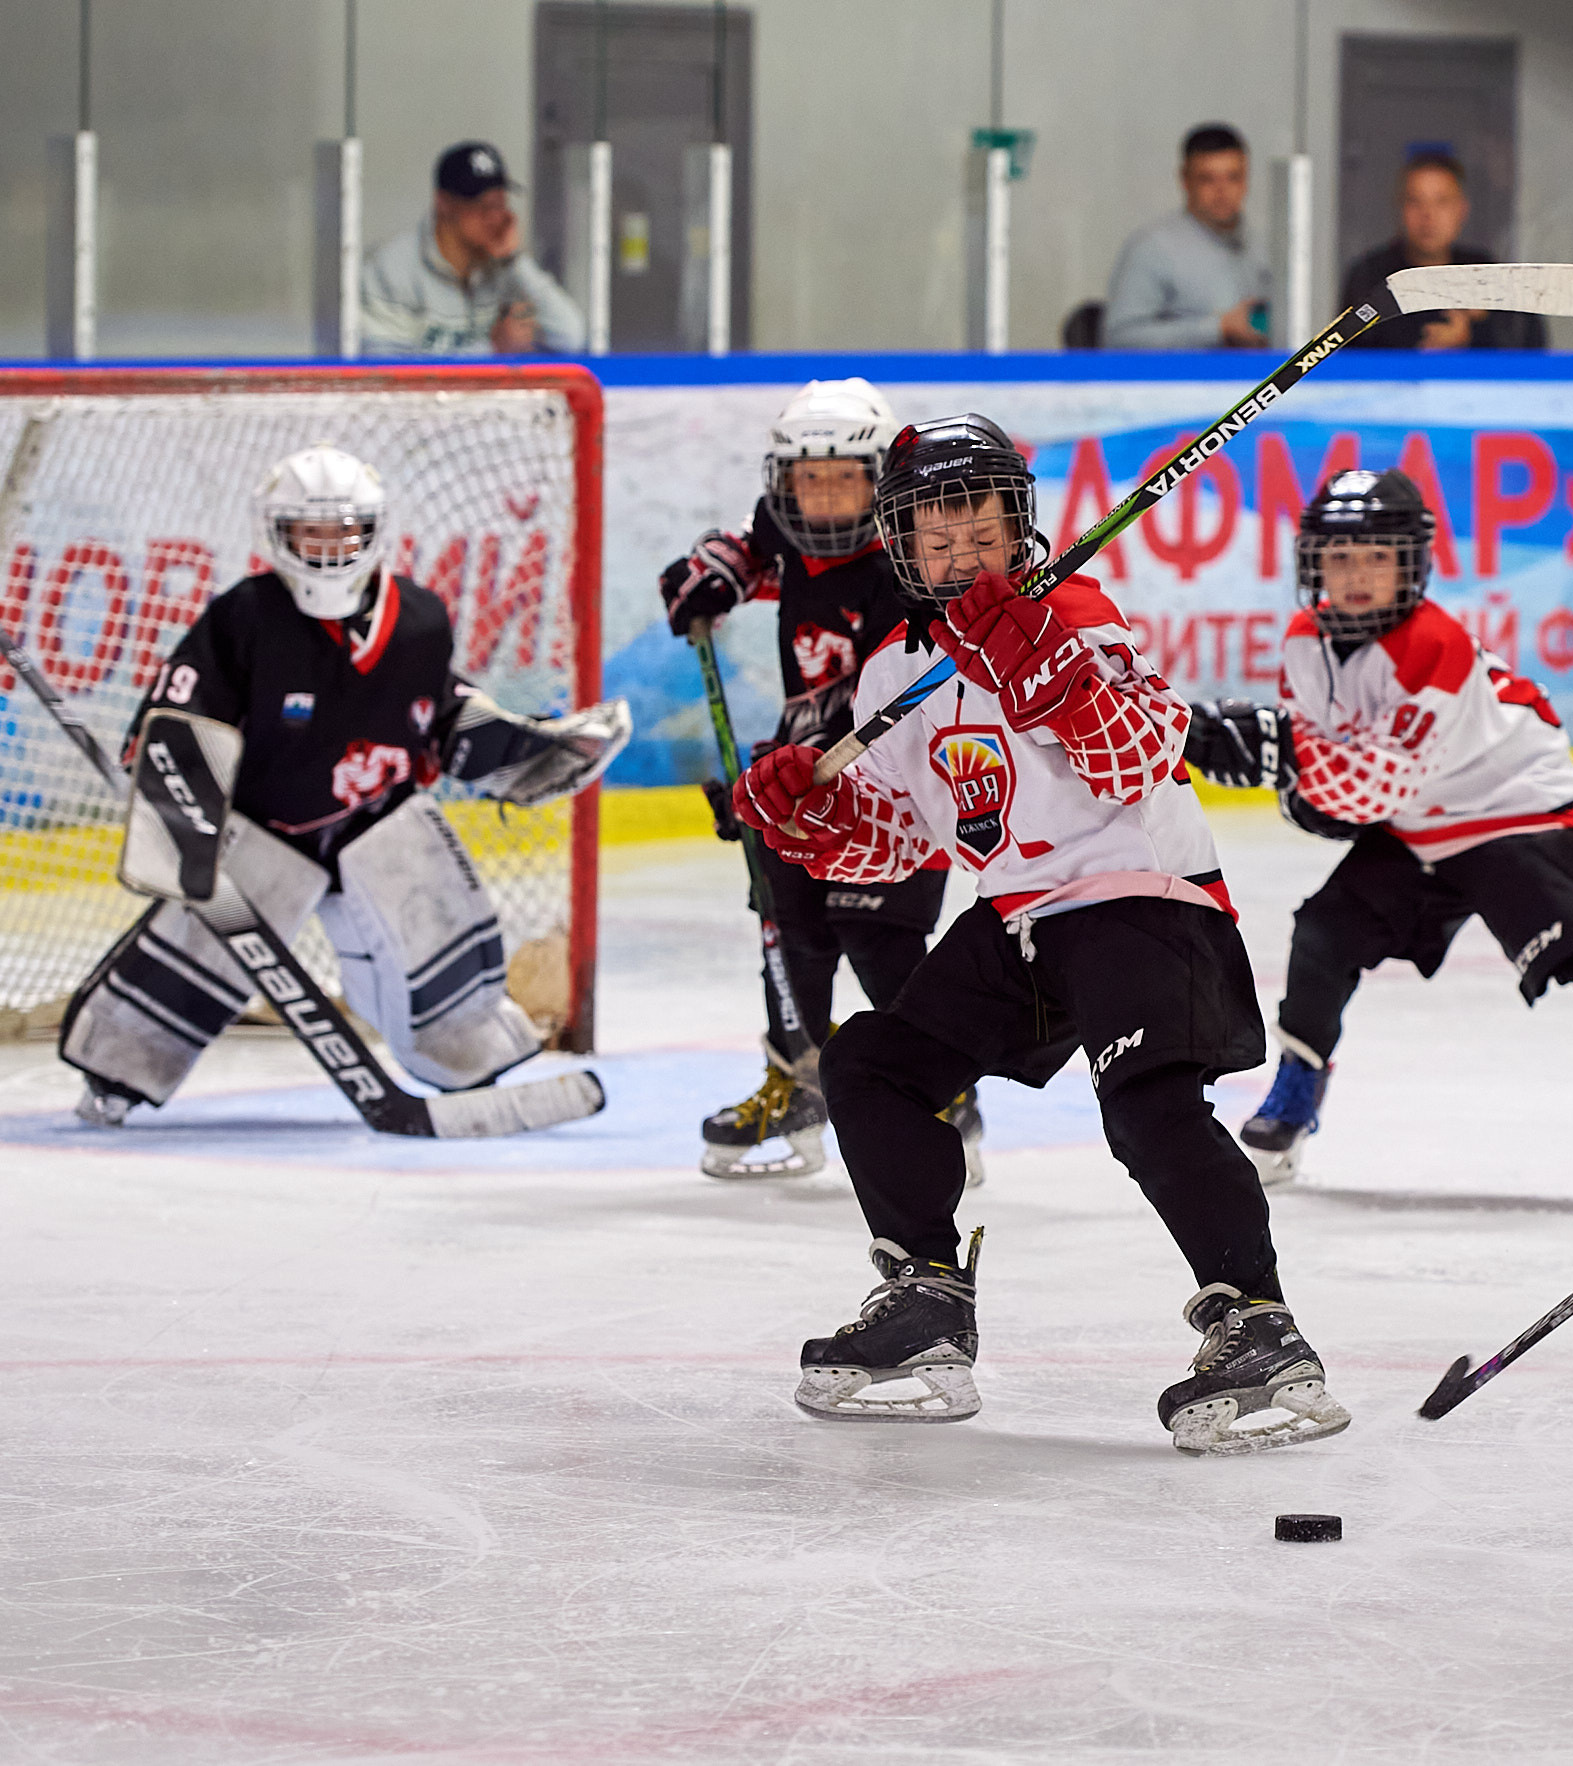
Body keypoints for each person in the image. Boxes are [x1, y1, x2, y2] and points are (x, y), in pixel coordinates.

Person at [729, 415, 1349, 1456]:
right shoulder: (891, 674)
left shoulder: (1072, 610)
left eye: (977, 510)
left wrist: (1049, 669)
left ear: (1015, 518)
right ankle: (926, 1295)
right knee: (871, 1063)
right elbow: (898, 842)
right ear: (902, 541)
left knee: (1148, 1105)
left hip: (1139, 892)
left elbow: (1137, 756)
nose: (958, 536)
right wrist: (814, 817)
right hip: (1018, 917)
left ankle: (1261, 1326)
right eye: (934, 521)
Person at [60, 446, 629, 1125]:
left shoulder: (420, 619)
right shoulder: (246, 617)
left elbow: (438, 712)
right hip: (268, 826)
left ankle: (468, 1054)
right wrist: (179, 806)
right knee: (194, 949)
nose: (328, 547)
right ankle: (117, 1070)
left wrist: (517, 749)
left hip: (376, 820)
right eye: (311, 532)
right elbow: (180, 714)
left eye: (344, 531)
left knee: (439, 920)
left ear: (372, 530)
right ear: (279, 534)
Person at [1180, 468, 1573, 1187]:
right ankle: (1295, 1096)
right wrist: (1293, 774)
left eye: (1377, 556)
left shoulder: (1433, 645)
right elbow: (1337, 782)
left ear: (1410, 564)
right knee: (1324, 934)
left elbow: (1369, 786)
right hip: (1420, 822)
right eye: (1340, 557)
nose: (1356, 575)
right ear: (1313, 564)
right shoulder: (1304, 641)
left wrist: (1284, 761)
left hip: (1511, 810)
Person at [657, 380, 979, 1183]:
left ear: (882, 482)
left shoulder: (913, 557)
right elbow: (746, 545)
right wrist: (717, 570)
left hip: (899, 785)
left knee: (879, 942)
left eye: (846, 479)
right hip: (806, 771)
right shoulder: (784, 528)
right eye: (809, 478)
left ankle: (945, 1094)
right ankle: (796, 1081)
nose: (825, 497)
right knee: (787, 928)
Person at [361, 143, 585, 356]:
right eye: (483, 205)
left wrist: (515, 260)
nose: (495, 217)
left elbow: (571, 338)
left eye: (500, 204)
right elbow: (384, 369)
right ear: (444, 203)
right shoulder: (390, 268)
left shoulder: (503, 266)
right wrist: (491, 349)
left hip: (496, 397)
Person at [1339, 151, 1547, 352]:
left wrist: (1475, 332)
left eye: (1442, 201)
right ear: (1400, 208)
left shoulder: (1483, 272)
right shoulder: (1370, 276)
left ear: (1462, 209)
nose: (1428, 215)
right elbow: (1349, 356)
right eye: (1415, 201)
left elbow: (1529, 347)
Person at [1102, 124, 1272, 350]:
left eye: (1233, 178)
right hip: (1184, 382)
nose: (1222, 192)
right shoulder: (1152, 248)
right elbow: (1119, 338)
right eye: (1208, 179)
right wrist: (1217, 329)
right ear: (1185, 180)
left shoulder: (1265, 246)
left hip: (1265, 377)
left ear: (1246, 180)